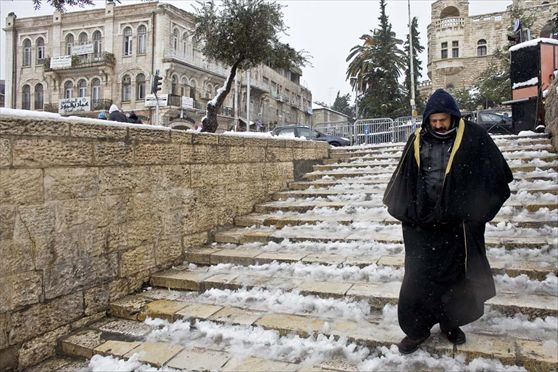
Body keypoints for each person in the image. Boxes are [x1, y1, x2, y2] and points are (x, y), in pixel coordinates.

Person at [383, 89, 513, 354]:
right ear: (427, 120)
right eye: (434, 120)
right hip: (422, 225)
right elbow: (404, 178)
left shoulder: (473, 137)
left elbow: (497, 176)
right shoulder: (417, 141)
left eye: (444, 120)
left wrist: (475, 209)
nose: (439, 125)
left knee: (455, 279)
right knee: (417, 279)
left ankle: (450, 323)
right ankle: (417, 330)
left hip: (456, 226)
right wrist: (410, 212)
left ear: (453, 117)